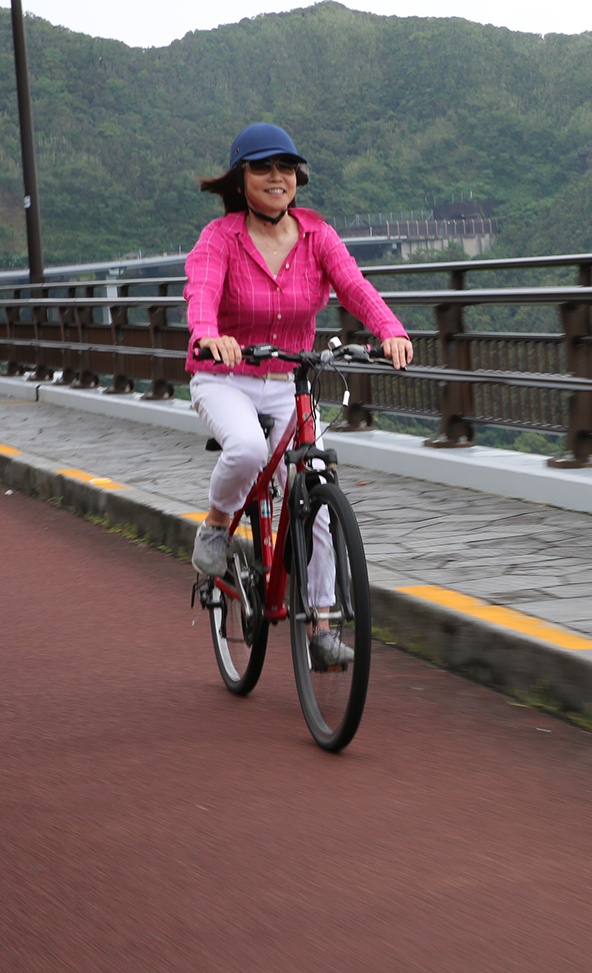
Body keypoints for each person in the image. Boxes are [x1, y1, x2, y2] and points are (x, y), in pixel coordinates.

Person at [184, 122, 413, 666]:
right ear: (241, 180)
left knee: (318, 493)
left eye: (285, 168)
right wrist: (208, 336)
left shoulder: (317, 235)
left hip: (288, 377)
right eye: (263, 168)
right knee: (246, 449)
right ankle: (217, 527)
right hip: (225, 377)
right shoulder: (220, 239)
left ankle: (323, 628)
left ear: (297, 178)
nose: (277, 177)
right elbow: (202, 292)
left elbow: (354, 285)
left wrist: (390, 329)